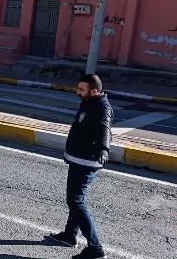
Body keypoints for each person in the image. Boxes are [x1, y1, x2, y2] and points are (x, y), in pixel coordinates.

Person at [48, 74, 113, 259]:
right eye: (78, 88)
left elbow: (104, 129)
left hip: (87, 161)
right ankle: (70, 235)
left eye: (81, 90)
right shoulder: (89, 101)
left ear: (94, 90)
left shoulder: (102, 107)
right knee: (76, 199)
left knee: (76, 200)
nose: (78, 92)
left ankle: (95, 248)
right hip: (78, 158)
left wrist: (103, 149)